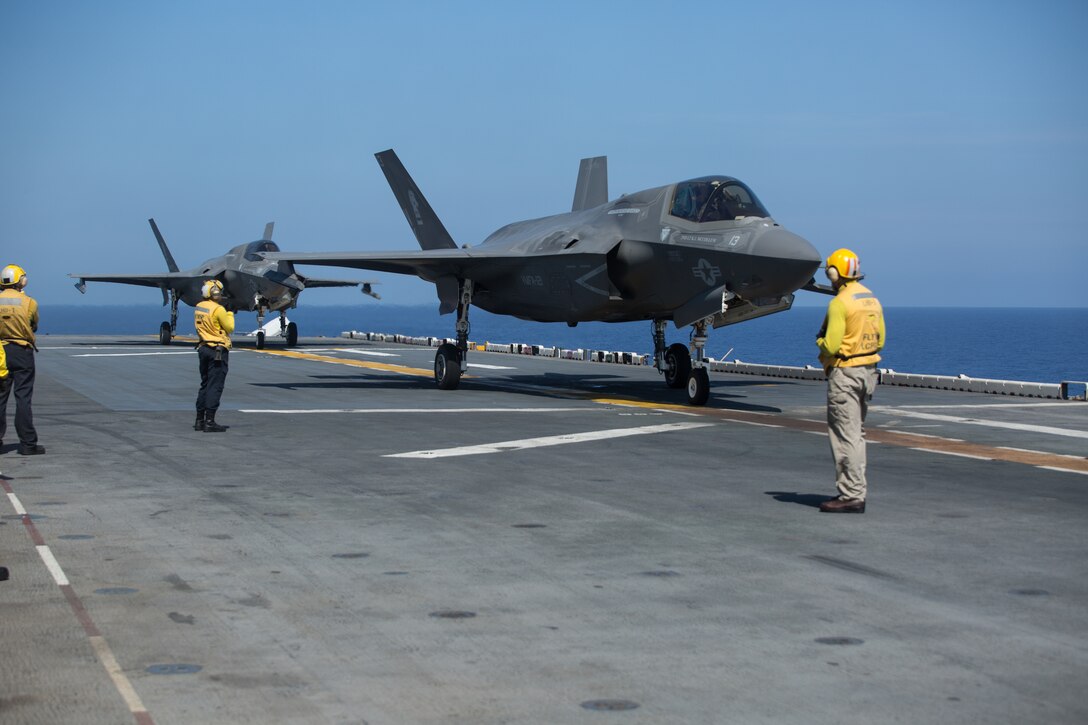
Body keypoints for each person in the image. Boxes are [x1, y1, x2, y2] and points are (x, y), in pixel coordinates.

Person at [816, 248, 885, 513]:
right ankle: (856, 490)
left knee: (845, 436)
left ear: (834, 273)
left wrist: (819, 341)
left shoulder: (840, 303)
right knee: (857, 435)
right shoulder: (871, 300)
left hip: (845, 374)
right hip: (868, 373)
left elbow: (831, 345)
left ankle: (850, 495)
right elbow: (881, 340)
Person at [0, 264, 44, 455]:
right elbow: (33, 325)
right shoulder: (29, 302)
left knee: (0, 398)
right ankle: (27, 444)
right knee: (23, 398)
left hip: (0, 352)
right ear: (22, 281)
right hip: (22, 352)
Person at [194, 280, 234, 433]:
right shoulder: (219, 309)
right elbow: (230, 327)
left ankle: (199, 420)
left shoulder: (199, 307)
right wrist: (229, 312)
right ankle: (210, 421)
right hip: (217, 351)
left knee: (205, 384)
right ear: (216, 292)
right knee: (215, 385)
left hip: (203, 348)